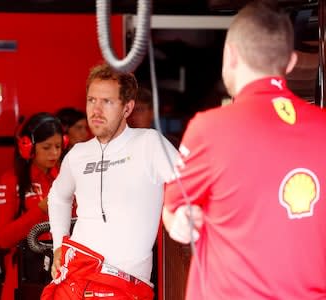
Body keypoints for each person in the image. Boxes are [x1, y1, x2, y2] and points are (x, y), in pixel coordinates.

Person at [162, 1, 326, 299]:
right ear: (290, 62)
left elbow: (174, 213)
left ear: (231, 54)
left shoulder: (209, 128)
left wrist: (183, 223)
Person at [41, 63, 179, 299]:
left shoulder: (149, 143)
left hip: (125, 285)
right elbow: (58, 197)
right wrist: (58, 246)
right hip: (74, 279)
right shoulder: (77, 154)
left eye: (107, 102)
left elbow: (192, 187)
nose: (96, 110)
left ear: (127, 108)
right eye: (91, 100)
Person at [0, 112, 66, 300]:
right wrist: (40, 210)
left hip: (64, 272)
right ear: (27, 147)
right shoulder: (11, 181)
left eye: (58, 146)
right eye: (47, 147)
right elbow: (3, 239)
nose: (55, 153)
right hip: (24, 274)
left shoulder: (66, 179)